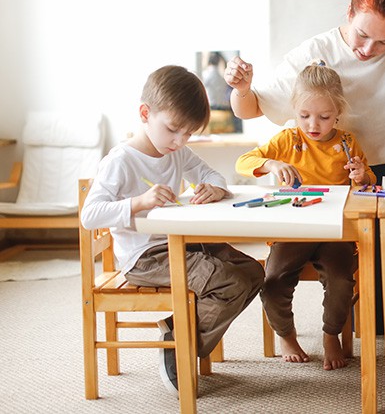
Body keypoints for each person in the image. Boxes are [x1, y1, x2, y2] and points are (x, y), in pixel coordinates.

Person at [225, 0, 385, 333]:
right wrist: (241, 88)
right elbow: (252, 109)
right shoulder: (313, 53)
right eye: (362, 35)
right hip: (348, 178)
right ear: (348, 11)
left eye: (384, 42)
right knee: (374, 317)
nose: (367, 49)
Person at [80, 65, 265, 396]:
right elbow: (90, 215)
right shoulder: (120, 160)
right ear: (145, 114)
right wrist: (137, 202)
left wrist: (215, 189)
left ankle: (177, 332)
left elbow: (213, 174)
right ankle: (177, 343)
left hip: (181, 242)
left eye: (189, 133)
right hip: (145, 257)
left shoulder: (177, 151)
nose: (180, 140)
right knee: (230, 281)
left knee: (252, 271)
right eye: (173, 129)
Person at [236, 62, 376, 370]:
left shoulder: (346, 142)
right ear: (294, 111)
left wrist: (361, 175)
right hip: (293, 229)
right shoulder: (288, 140)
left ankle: (331, 335)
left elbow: (368, 183)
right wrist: (272, 165)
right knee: (271, 282)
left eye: (324, 117)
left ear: (337, 114)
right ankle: (286, 334)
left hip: (334, 232)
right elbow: (244, 161)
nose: (313, 124)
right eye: (304, 116)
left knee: (341, 281)